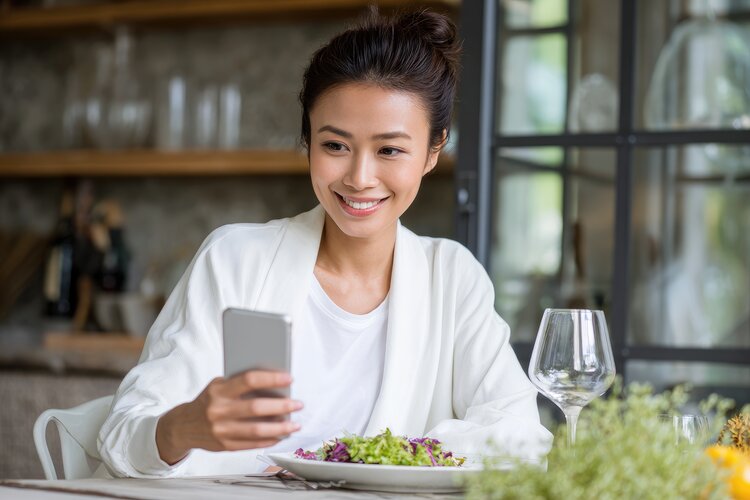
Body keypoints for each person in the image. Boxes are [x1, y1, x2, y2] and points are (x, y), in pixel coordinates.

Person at [97, 9, 553, 478]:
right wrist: (183, 428)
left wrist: (382, 456)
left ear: (433, 151)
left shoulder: (451, 278)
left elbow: (521, 434)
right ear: (308, 140)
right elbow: (119, 437)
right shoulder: (235, 261)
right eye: (335, 146)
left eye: (390, 150)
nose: (359, 178)